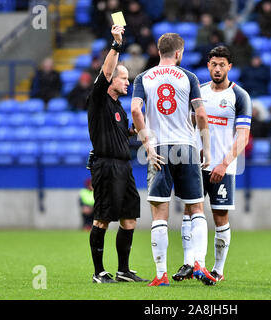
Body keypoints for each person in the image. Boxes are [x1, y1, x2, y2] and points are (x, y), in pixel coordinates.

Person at [131, 33, 215, 286]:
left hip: (159, 149)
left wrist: (147, 143)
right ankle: (199, 262)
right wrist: (206, 148)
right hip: (187, 147)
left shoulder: (142, 78)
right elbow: (200, 114)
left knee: (160, 213)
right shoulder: (188, 77)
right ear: (179, 53)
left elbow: (135, 109)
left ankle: (161, 275)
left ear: (159, 51)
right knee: (196, 208)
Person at [173, 46, 252, 284]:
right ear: (208, 66)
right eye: (213, 64)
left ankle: (217, 269)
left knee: (220, 217)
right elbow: (187, 125)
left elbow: (243, 136)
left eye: (222, 65)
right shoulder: (199, 93)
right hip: (195, 166)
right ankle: (189, 263)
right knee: (189, 213)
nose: (217, 69)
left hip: (223, 168)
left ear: (229, 67)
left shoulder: (240, 96)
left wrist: (224, 163)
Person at [86, 24, 147, 284]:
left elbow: (120, 134)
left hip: (124, 167)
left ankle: (123, 270)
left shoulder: (119, 108)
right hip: (107, 167)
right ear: (110, 80)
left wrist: (135, 132)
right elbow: (108, 69)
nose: (128, 81)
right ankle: (99, 272)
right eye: (123, 78)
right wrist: (116, 44)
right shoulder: (99, 99)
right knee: (102, 219)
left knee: (129, 216)